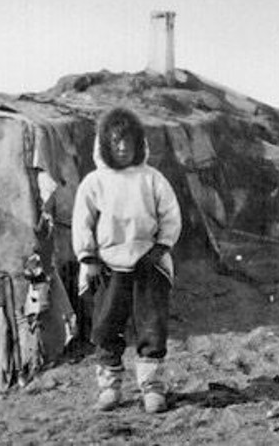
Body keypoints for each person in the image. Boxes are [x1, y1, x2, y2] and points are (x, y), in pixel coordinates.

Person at [72, 106, 182, 413]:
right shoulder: (94, 182)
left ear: (139, 143)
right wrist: (89, 258)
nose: (123, 147)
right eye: (117, 141)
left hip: (148, 262)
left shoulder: (152, 179)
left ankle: (152, 388)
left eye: (129, 141)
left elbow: (171, 216)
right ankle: (110, 388)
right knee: (107, 328)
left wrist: (160, 248)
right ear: (106, 144)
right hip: (108, 265)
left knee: (151, 327)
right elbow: (82, 221)